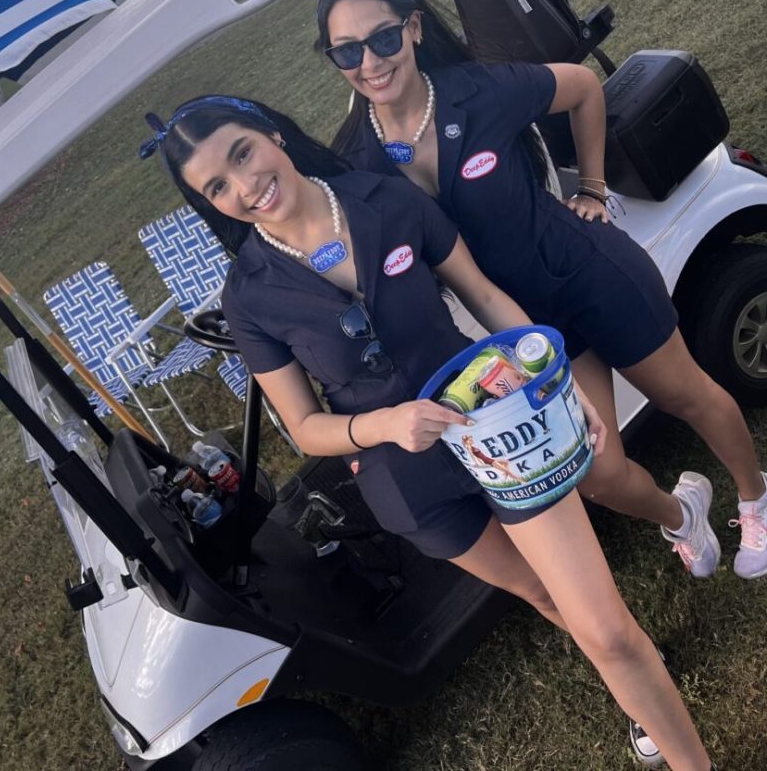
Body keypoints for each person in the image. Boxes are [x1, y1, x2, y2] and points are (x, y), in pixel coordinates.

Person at [142, 94, 716, 771]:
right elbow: (304, 428)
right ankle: (639, 691)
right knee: (539, 595)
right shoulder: (249, 295)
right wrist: (383, 424)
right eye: (216, 187)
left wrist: (553, 378)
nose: (244, 186)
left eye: (242, 153)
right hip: (409, 482)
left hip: (497, 432)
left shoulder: (383, 199)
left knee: (606, 630)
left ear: (272, 132)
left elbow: (484, 295)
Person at [314, 0, 767, 589]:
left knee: (685, 395)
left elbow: (584, 88)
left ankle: (762, 496)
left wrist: (592, 188)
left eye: (381, 39)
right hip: (522, 328)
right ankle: (683, 514)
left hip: (587, 271)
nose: (370, 64)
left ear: (411, 28)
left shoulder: (480, 91)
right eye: (346, 51)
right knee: (594, 473)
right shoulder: (355, 165)